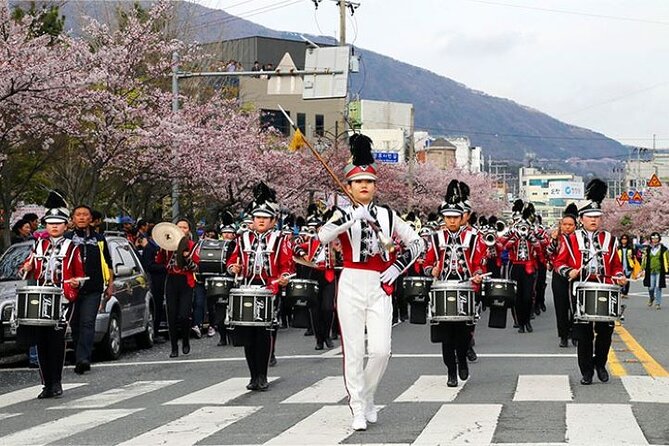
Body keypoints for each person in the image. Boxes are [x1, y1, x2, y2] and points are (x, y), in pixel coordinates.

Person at [318, 134, 423, 431]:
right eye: (358, 182)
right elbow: (323, 236)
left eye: (369, 182)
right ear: (349, 187)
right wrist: (350, 218)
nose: (364, 186)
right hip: (351, 282)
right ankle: (357, 406)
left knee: (380, 350)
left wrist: (398, 268)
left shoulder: (389, 216)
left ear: (376, 186)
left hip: (379, 284)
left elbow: (418, 243)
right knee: (353, 350)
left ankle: (368, 394)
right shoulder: (341, 213)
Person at [554, 179, 627, 385]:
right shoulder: (570, 240)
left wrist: (620, 276)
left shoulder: (610, 240)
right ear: (581, 219)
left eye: (597, 217)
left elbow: (615, 265)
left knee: (605, 331)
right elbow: (559, 263)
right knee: (584, 332)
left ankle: (600, 363)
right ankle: (586, 371)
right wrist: (570, 271)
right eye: (589, 217)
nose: (594, 221)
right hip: (580, 288)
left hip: (605, 288)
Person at [227, 182, 293, 391]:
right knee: (247, 334)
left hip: (269, 289)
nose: (261, 221)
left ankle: (262, 375)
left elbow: (287, 265)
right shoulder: (242, 238)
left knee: (263, 333)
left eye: (265, 218)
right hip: (246, 288)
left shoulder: (280, 239)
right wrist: (234, 267)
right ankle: (252, 375)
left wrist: (283, 278)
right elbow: (232, 260)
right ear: (253, 220)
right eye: (257, 217)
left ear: (273, 221)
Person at [19, 191, 85, 398]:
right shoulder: (38, 245)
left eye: (58, 223)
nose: (54, 226)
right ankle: (46, 383)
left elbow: (80, 275)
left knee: (56, 340)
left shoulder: (72, 247)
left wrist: (74, 284)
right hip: (40, 297)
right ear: (45, 225)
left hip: (63, 298)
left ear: (66, 225)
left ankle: (56, 382)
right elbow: (25, 270)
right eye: (50, 223)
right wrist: (27, 267)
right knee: (41, 340)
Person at [423, 180, 487, 387]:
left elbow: (479, 263)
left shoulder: (474, 237)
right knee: (446, 334)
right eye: (448, 217)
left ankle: (462, 362)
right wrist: (431, 269)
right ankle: (451, 371)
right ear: (443, 218)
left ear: (462, 218)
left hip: (465, 288)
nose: (451, 221)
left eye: (455, 218)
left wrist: (477, 274)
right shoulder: (435, 238)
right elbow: (426, 262)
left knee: (462, 332)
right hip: (442, 288)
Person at [65, 205, 114, 375]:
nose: (81, 217)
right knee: (76, 324)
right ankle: (79, 355)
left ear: (90, 218)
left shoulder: (99, 239)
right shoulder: (67, 239)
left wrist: (110, 284)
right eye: (78, 215)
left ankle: (83, 358)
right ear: (73, 218)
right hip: (72, 288)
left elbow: (108, 262)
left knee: (88, 322)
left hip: (93, 288)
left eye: (85, 215)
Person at [156, 218, 199, 358]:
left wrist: (187, 257)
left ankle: (185, 339)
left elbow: (197, 267)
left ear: (188, 230)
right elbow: (159, 262)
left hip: (186, 281)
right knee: (171, 315)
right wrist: (162, 250)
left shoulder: (192, 245)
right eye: (179, 227)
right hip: (171, 280)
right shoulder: (168, 245)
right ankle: (174, 347)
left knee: (184, 315)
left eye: (184, 227)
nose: (181, 229)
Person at [501, 200, 543, 334]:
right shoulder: (513, 230)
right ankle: (519, 322)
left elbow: (544, 242)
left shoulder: (532, 229)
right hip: (515, 266)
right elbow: (501, 244)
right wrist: (514, 238)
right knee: (516, 296)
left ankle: (527, 320)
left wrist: (532, 238)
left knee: (528, 295)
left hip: (529, 266)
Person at [547, 203, 578, 347]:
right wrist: (553, 240)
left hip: (576, 275)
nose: (567, 227)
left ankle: (574, 332)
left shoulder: (579, 238)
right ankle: (563, 335)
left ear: (575, 225)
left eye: (570, 224)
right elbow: (549, 252)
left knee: (576, 305)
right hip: (559, 275)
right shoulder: (557, 237)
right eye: (564, 224)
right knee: (561, 306)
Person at [139, 226, 167, 343]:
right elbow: (148, 265)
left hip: (162, 280)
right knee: (155, 306)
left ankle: (156, 330)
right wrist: (164, 267)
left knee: (159, 306)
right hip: (154, 280)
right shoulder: (150, 248)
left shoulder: (163, 247)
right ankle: (154, 332)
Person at [640, 232, 668, 310]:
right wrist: (642, 268)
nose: (654, 240)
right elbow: (644, 259)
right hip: (650, 270)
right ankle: (651, 297)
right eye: (653, 238)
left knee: (658, 287)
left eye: (656, 238)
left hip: (659, 270)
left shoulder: (663, 249)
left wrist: (667, 268)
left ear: (659, 239)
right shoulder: (648, 249)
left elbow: (667, 259)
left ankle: (658, 303)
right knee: (651, 287)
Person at [617, 234, 635, 299]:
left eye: (625, 239)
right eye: (623, 239)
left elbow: (635, 257)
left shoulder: (630, 248)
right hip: (620, 266)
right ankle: (621, 292)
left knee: (627, 280)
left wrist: (632, 257)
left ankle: (625, 292)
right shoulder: (618, 248)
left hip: (628, 266)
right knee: (621, 279)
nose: (624, 240)